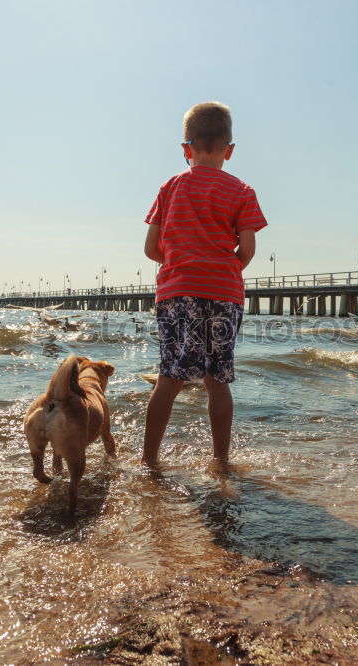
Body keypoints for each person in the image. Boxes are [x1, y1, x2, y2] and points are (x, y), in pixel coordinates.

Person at [141, 101, 267, 468]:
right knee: (218, 380)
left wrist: (180, 263)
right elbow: (247, 250)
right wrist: (225, 269)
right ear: (229, 150)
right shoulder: (242, 191)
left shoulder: (170, 188)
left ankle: (149, 460)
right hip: (225, 294)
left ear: (186, 149)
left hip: (178, 292)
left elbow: (151, 248)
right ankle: (220, 460)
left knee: (169, 378)